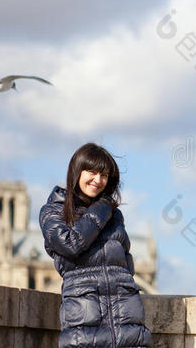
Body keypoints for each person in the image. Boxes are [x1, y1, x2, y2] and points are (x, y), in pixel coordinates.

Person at [39, 143, 152, 347]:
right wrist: (101, 208)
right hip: (85, 325)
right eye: (91, 171)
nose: (98, 180)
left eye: (104, 175)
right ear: (76, 170)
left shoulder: (114, 215)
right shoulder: (54, 211)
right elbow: (70, 245)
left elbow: (126, 263)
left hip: (127, 324)